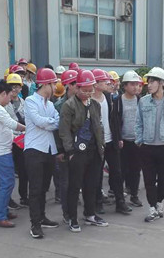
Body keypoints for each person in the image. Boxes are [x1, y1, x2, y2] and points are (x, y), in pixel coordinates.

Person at [59, 69, 107, 232]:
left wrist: (101, 146)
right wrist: (70, 151)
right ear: (77, 88)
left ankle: (90, 214)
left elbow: (99, 126)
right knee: (74, 185)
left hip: (94, 150)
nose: (87, 93)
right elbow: (64, 130)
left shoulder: (95, 105)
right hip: (77, 151)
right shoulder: (69, 105)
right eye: (84, 90)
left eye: (90, 90)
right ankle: (72, 218)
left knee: (91, 184)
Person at [135, 66, 164, 222]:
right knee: (148, 179)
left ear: (161, 83)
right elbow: (138, 123)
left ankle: (159, 203)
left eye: (152, 82)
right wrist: (139, 141)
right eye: (148, 82)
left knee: (163, 179)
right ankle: (152, 208)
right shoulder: (143, 101)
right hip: (147, 146)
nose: (149, 85)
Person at [23, 67, 60, 239]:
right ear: (45, 84)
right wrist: (49, 122)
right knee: (35, 188)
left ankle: (42, 217)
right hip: (34, 149)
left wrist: (48, 122)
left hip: (49, 149)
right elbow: (38, 121)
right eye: (53, 84)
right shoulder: (30, 101)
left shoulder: (51, 104)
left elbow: (57, 122)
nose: (55, 88)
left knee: (44, 187)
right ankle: (35, 224)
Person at [0, 80, 26, 228]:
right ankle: (0, 216)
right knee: (7, 182)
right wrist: (28, 128)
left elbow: (4, 129)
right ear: (3, 94)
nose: (9, 100)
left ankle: (2, 211)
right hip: (0, 152)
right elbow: (12, 124)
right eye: (9, 96)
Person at [91, 69, 130, 216]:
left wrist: (118, 138)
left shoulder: (109, 98)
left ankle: (120, 202)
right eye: (104, 82)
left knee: (117, 172)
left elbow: (114, 120)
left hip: (110, 141)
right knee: (97, 174)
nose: (108, 84)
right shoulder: (89, 100)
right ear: (96, 84)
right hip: (96, 143)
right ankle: (97, 202)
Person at [114, 70, 144, 207]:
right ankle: (119, 197)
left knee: (136, 170)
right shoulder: (118, 101)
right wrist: (118, 138)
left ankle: (134, 195)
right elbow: (115, 121)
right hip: (123, 141)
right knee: (121, 170)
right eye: (132, 84)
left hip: (137, 141)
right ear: (125, 86)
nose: (135, 87)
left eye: (137, 84)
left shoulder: (140, 100)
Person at [53, 69, 79, 221]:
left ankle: (73, 208)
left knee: (76, 181)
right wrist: (60, 150)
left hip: (78, 148)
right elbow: (57, 131)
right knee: (65, 182)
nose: (78, 87)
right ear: (68, 85)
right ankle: (66, 212)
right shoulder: (59, 105)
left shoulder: (82, 103)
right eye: (75, 84)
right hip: (64, 149)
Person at [5, 73, 28, 209]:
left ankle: (24, 196)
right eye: (12, 86)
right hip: (9, 140)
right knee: (8, 172)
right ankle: (8, 199)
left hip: (22, 140)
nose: (14, 89)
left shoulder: (24, 102)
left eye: (17, 86)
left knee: (24, 170)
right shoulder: (3, 103)